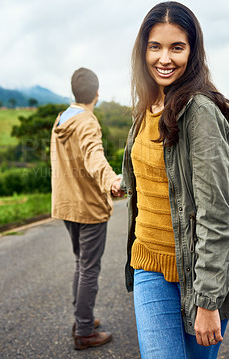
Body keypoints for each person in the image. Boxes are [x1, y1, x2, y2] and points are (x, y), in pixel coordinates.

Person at [121, 2, 229, 359]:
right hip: (148, 265)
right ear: (143, 50)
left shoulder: (198, 111)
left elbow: (217, 216)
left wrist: (207, 301)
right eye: (155, 46)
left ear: (193, 51)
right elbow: (148, 181)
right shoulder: (147, 105)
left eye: (177, 47)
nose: (164, 58)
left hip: (198, 276)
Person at [51, 67, 122, 350]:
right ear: (96, 93)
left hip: (66, 204)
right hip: (89, 207)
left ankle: (83, 317)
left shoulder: (62, 118)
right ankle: (84, 331)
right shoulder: (87, 121)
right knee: (89, 268)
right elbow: (95, 156)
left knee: (81, 264)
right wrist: (112, 181)